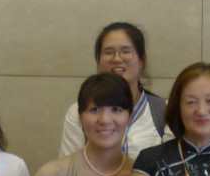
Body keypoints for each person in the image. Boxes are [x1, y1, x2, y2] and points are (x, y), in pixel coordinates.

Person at [58, 22, 168, 159]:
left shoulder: (165, 111)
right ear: (98, 62)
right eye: (108, 52)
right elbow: (68, 167)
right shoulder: (78, 111)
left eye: (126, 51)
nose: (117, 59)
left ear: (142, 60)